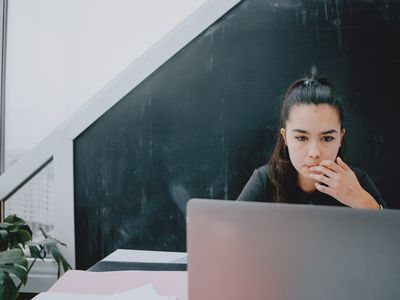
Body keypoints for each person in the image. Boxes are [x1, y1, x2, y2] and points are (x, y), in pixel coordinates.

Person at [237, 67, 386, 209]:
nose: (314, 152)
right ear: (285, 137)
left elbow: (390, 233)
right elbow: (230, 229)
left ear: (340, 137)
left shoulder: (357, 182)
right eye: (301, 138)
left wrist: (362, 201)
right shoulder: (265, 181)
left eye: (327, 138)